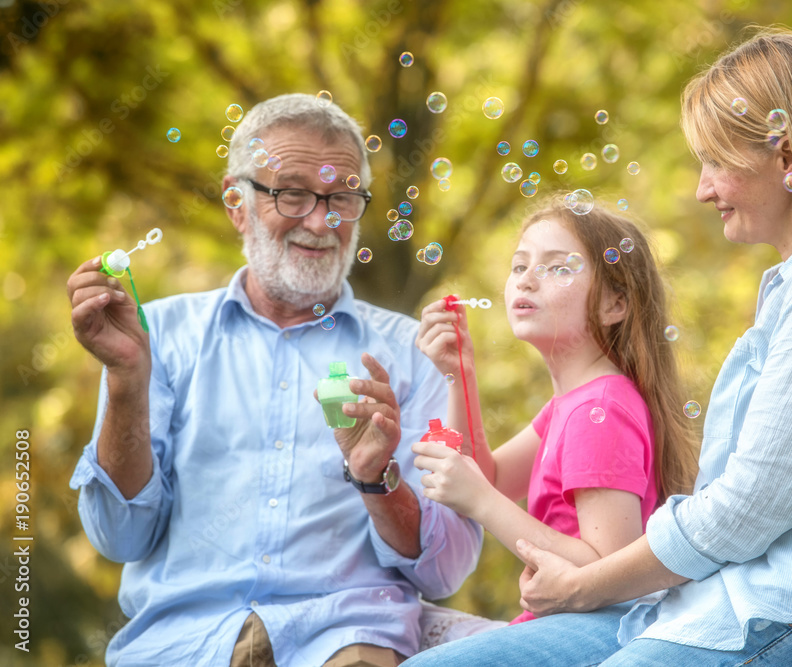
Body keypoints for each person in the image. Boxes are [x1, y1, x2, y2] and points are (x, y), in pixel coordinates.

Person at [401, 28, 792, 667]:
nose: (701, 189)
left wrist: (582, 586)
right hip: (710, 601)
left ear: (789, 155)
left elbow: (747, 509)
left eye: (716, 160)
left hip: (791, 612)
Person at [66, 93, 482, 667]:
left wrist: (378, 481)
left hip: (343, 639)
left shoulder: (415, 355)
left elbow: (448, 567)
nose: (320, 220)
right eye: (292, 194)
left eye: (341, 197)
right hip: (181, 647)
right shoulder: (153, 336)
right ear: (236, 203)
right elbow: (118, 537)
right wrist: (126, 382)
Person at [409, 198, 697, 639]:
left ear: (613, 304)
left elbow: (611, 569)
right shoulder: (574, 402)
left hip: (591, 631)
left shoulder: (597, 412)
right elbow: (490, 473)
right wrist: (459, 374)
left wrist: (481, 502)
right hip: (565, 625)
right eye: (519, 265)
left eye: (558, 267)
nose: (527, 279)